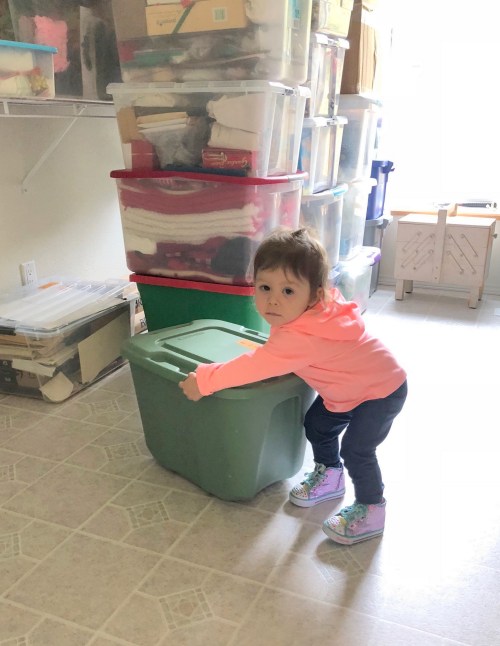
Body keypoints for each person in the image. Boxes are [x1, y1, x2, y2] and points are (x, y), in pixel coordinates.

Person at [179, 228, 407, 545]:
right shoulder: (315, 312)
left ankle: (372, 508)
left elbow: (253, 366)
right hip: (348, 389)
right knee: (317, 425)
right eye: (265, 287)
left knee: (357, 450)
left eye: (288, 291)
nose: (273, 299)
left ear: (314, 295)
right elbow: (276, 354)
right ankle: (330, 474)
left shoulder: (303, 336)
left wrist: (205, 379)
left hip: (381, 392)